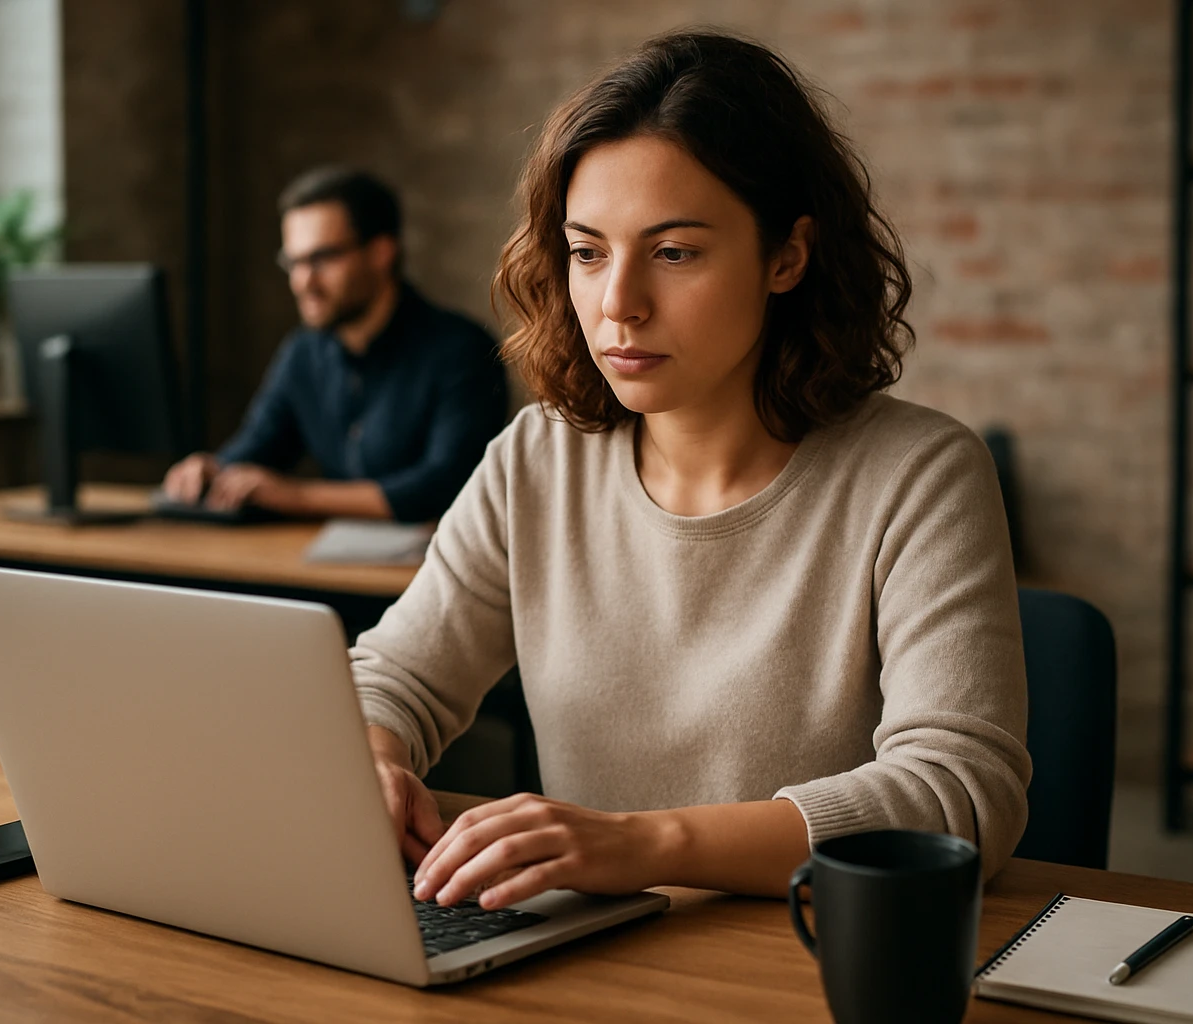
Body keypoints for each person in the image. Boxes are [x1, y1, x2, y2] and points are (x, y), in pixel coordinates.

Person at [352, 30, 1032, 911]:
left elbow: (960, 798)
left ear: (787, 256)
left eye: (674, 253)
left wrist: (644, 843)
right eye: (588, 252)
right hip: (591, 960)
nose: (617, 303)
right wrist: (373, 754)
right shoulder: (536, 460)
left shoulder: (921, 475)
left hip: (802, 962)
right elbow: (395, 676)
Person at [162, 167, 507, 521]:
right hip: (331, 564)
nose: (302, 282)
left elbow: (447, 485)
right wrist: (213, 470)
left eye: (322, 259)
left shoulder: (462, 349)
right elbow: (258, 448)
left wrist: (297, 496)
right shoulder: (303, 352)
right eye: (293, 262)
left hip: (434, 566)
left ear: (381, 252)